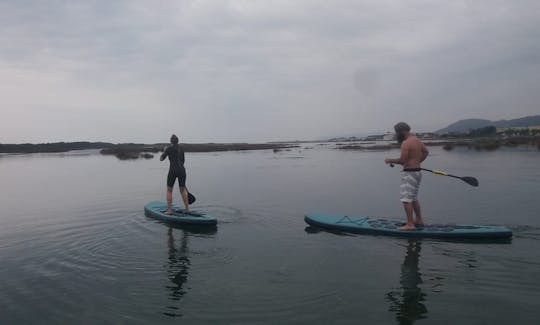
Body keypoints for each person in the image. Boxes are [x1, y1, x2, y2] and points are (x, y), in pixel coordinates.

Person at [385, 122, 429, 230]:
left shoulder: (406, 143)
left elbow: (402, 160)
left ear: (401, 131)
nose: (396, 135)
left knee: (406, 199)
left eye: (397, 132)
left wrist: (389, 160)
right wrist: (417, 162)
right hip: (417, 172)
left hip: (409, 173)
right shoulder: (416, 140)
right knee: (413, 198)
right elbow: (426, 152)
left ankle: (410, 224)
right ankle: (418, 220)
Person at [160, 134, 190, 214]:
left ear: (171, 141)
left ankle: (169, 210)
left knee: (169, 190)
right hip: (182, 171)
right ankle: (187, 209)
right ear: (178, 141)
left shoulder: (169, 148)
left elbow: (161, 159)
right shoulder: (181, 149)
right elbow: (183, 161)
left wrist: (165, 150)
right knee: (182, 190)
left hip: (173, 171)